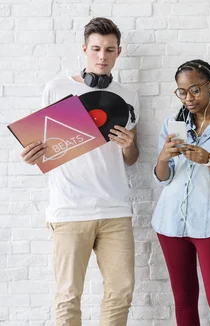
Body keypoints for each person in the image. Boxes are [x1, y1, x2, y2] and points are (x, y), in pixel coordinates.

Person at [19, 17, 139, 326]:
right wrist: (31, 154)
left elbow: (131, 159)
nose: (102, 56)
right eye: (96, 49)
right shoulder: (56, 88)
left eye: (110, 50)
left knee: (121, 292)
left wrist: (128, 146)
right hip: (70, 210)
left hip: (115, 210)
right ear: (85, 49)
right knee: (68, 295)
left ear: (118, 52)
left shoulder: (128, 96)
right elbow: (42, 144)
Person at [152, 59, 210, 326]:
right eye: (182, 92)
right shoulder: (174, 123)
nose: (188, 98)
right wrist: (162, 157)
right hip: (170, 223)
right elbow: (163, 177)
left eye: (195, 89)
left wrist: (209, 160)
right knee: (184, 301)